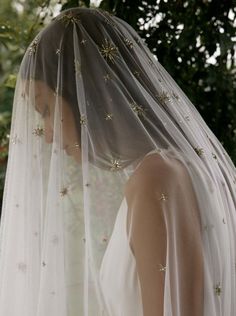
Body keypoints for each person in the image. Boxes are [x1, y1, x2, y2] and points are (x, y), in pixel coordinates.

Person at [0, 6, 235, 316]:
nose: (46, 135)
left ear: (87, 94)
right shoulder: (192, 168)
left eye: (45, 109)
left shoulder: (155, 179)